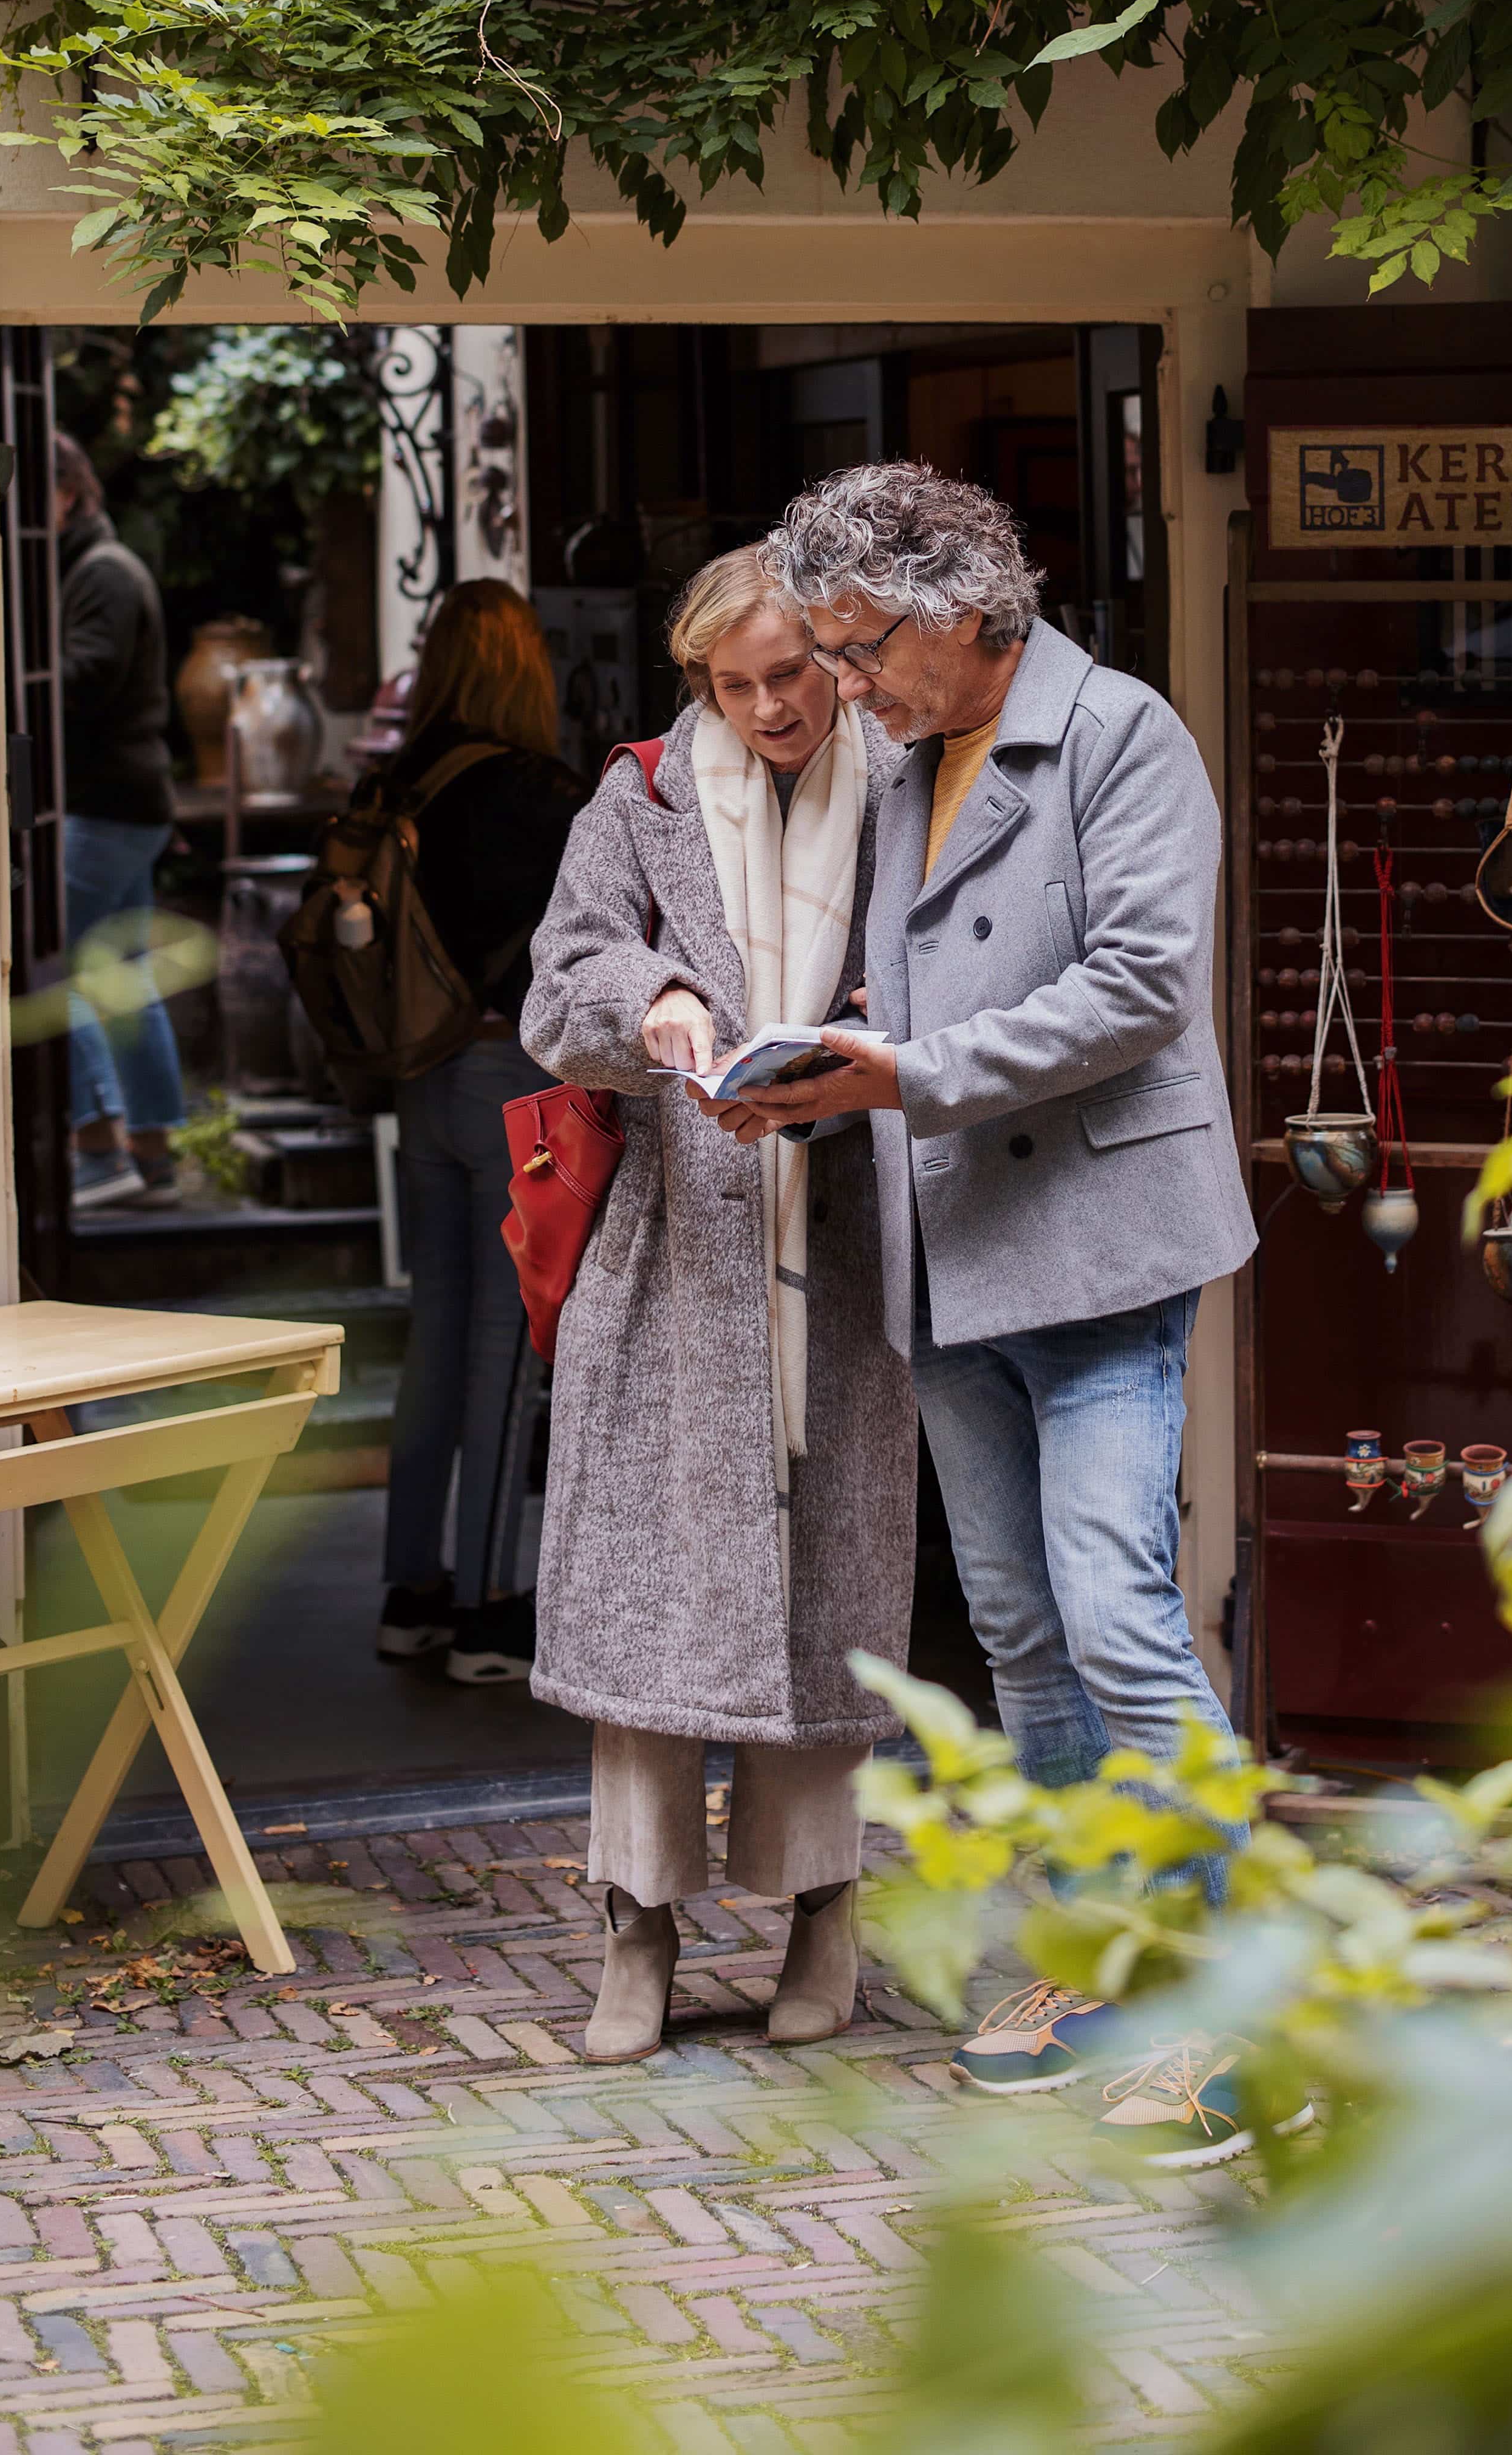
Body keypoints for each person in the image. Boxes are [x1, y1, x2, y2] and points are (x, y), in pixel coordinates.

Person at [745, 461, 1260, 2165]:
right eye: (829, 653)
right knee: (1025, 1638)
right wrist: (818, 1067)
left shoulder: (1122, 736)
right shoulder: (906, 762)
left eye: (860, 648)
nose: (844, 686)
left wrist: (907, 1072)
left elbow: (1140, 985)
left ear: (965, 610)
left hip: (1097, 1245)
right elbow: (928, 982)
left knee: (1119, 1618)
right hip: (950, 1246)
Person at [520, 548, 913, 2061]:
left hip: (846, 1246)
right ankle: (637, 1927)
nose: (767, 709)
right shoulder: (640, 795)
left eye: (790, 675)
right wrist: (655, 999)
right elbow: (559, 982)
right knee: (649, 1595)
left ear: (835, 658)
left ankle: (823, 1913)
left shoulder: (909, 786)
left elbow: (967, 968)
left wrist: (869, 1039)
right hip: (673, 1256)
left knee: (826, 1589)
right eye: (734, 685)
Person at [374, 578, 587, 1687]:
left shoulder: (398, 781)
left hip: (423, 1079)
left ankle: (410, 1592)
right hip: (509, 1077)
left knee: (437, 1336)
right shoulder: (540, 793)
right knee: (506, 1350)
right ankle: (490, 1611)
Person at [55, 431, 185, 1214]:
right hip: (128, 804)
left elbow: (86, 678)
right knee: (126, 979)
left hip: (103, 804)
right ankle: (155, 1157)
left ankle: (99, 1151)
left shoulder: (100, 573)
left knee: (50, 966)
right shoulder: (101, 567)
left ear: (66, 494)